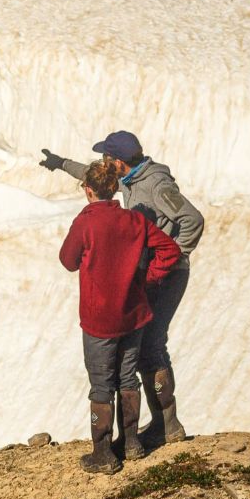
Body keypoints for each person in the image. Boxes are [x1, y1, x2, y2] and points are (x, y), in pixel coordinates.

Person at [41, 131, 203, 444]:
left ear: (117, 162)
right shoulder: (128, 178)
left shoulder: (157, 184)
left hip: (166, 274)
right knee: (145, 347)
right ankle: (162, 425)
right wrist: (61, 164)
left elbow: (192, 220)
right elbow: (96, 180)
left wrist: (168, 259)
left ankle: (168, 426)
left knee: (151, 345)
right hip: (150, 272)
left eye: (106, 158)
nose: (103, 162)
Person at [59, 160, 182, 473]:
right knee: (128, 378)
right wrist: (146, 279)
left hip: (99, 319)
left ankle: (103, 453)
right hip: (133, 315)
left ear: (88, 191)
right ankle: (131, 443)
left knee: (102, 385)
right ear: (114, 188)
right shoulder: (134, 221)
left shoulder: (86, 223)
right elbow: (170, 250)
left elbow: (68, 261)